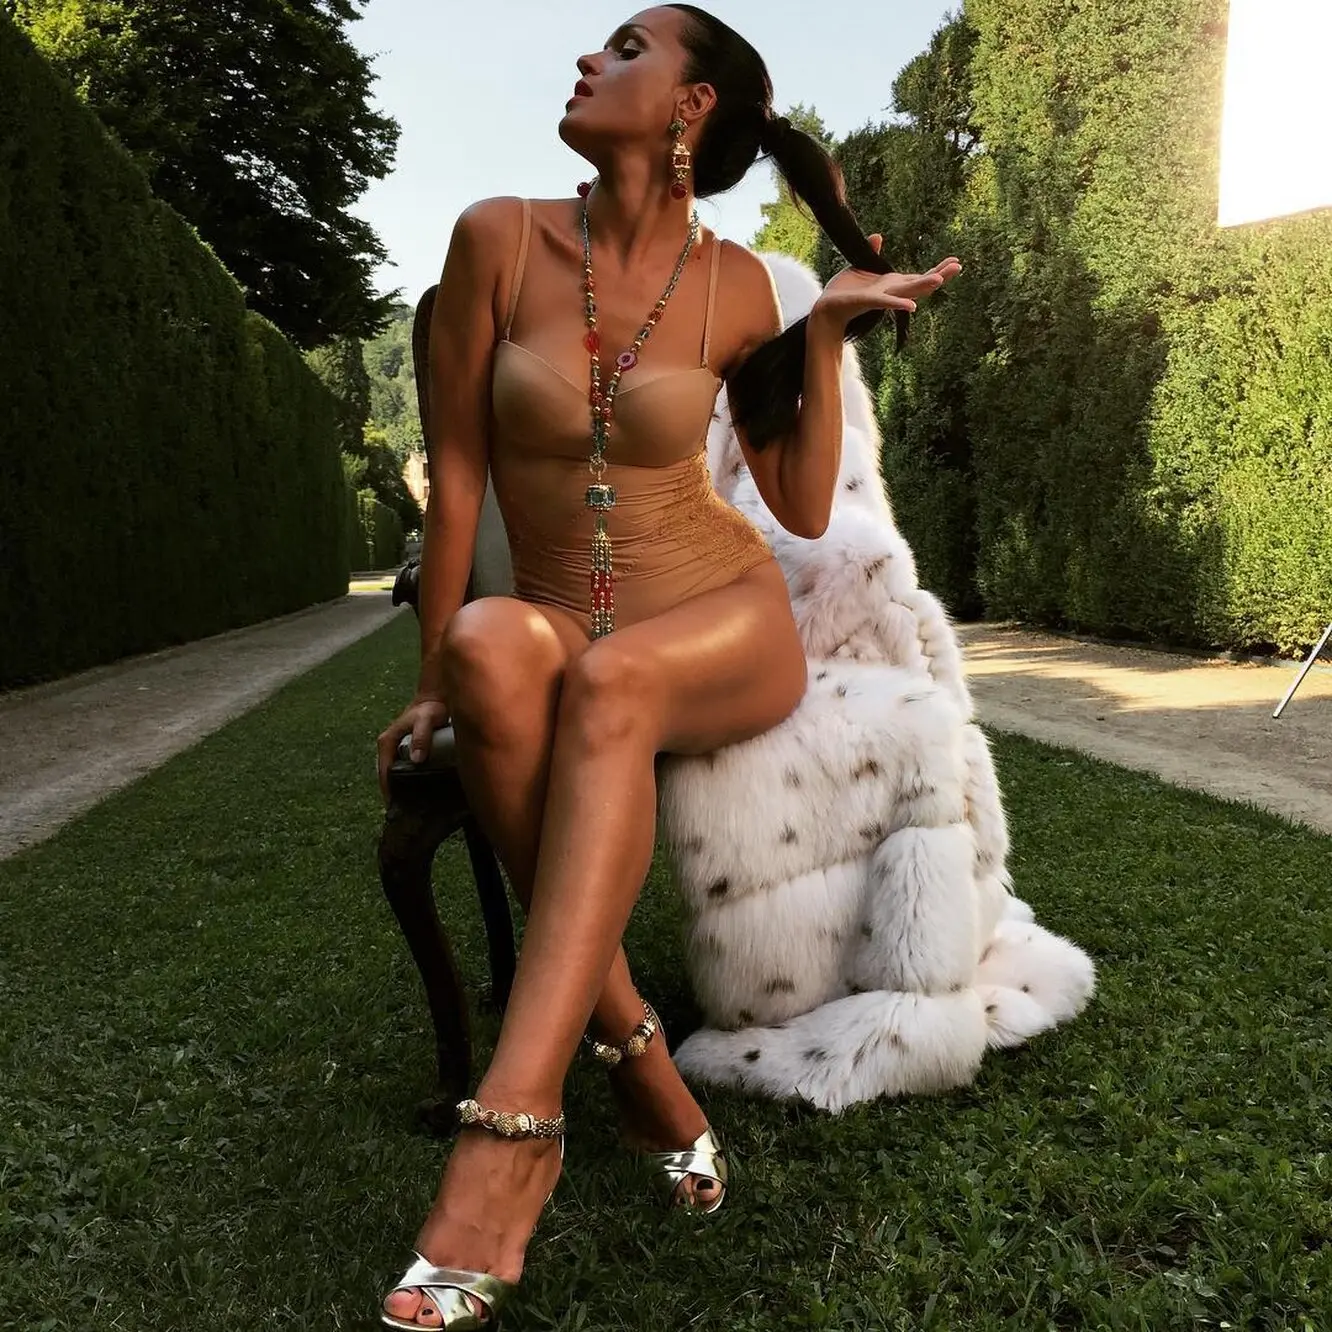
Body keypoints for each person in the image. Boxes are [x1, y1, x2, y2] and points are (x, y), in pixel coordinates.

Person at [373, 6, 961, 1326]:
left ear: (692, 107)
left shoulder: (741, 286)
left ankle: (513, 1130)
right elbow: (457, 480)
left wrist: (824, 335)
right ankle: (639, 1058)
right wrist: (431, 679)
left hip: (718, 621)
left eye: (628, 47)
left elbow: (797, 506)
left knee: (613, 683)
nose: (591, 58)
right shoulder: (496, 238)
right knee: (489, 643)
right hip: (552, 612)